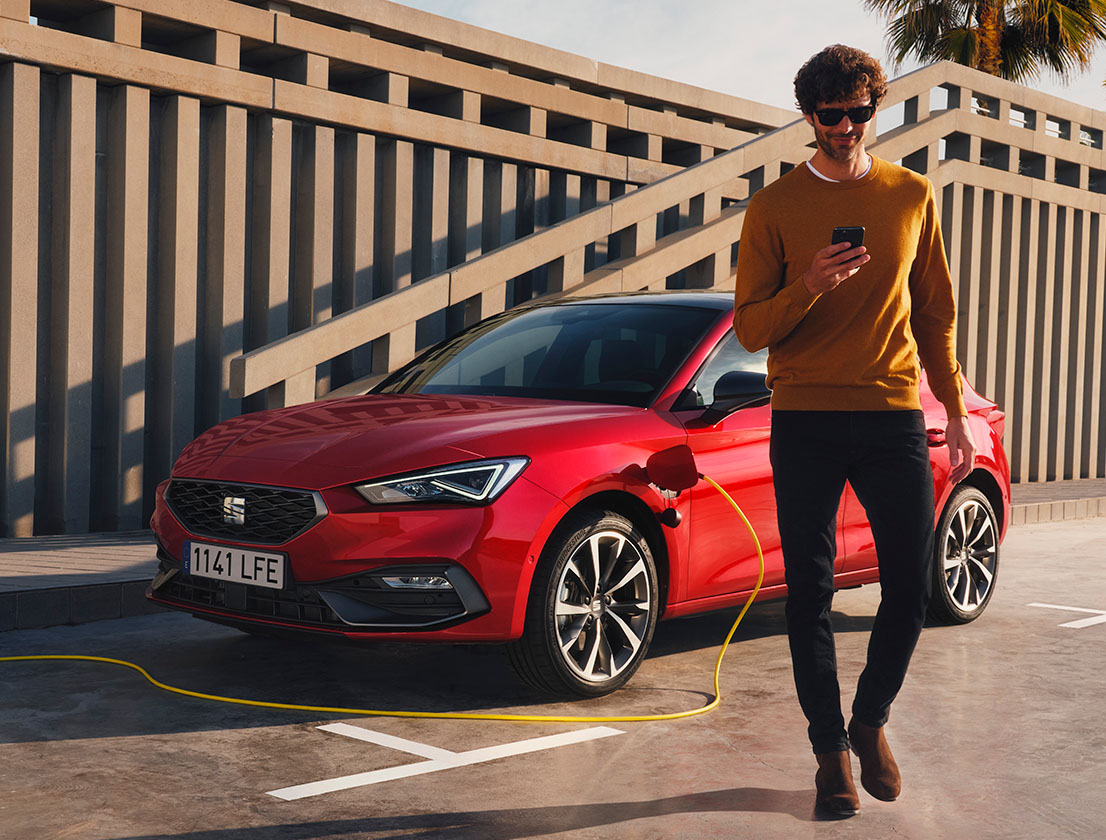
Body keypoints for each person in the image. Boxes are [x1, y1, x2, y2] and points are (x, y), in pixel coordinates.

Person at [732, 44, 976, 817]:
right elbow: (747, 328)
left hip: (893, 412)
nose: (845, 127)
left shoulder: (911, 195)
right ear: (809, 117)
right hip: (804, 416)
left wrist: (958, 413)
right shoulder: (772, 208)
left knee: (908, 585)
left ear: (876, 109)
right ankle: (829, 752)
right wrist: (808, 285)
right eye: (830, 115)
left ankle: (869, 722)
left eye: (859, 112)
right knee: (808, 593)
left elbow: (935, 315)